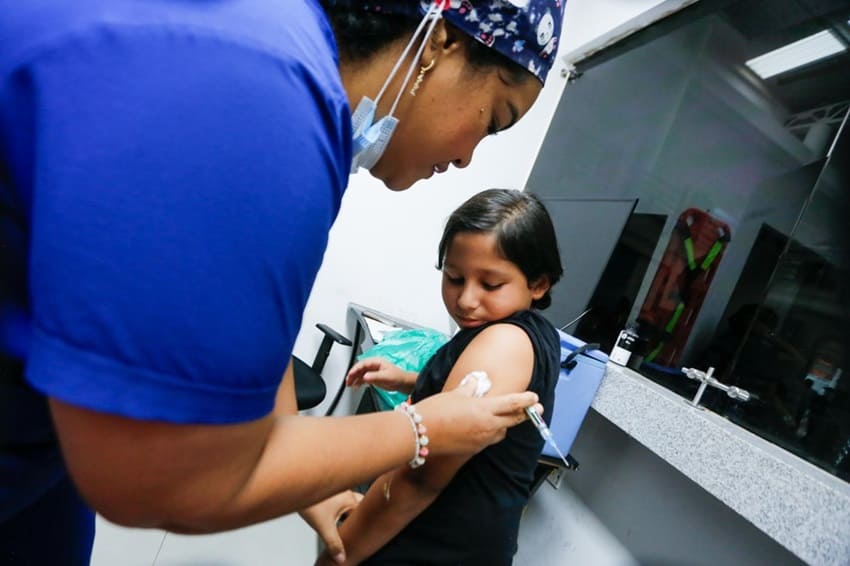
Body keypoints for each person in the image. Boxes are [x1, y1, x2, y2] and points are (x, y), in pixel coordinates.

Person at [0, 1, 566, 564]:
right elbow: (163, 477)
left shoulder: (281, 69)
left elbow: (250, 339)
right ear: (441, 42)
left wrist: (306, 477)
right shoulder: (269, 101)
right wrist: (420, 428)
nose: (467, 158)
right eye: (494, 120)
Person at [328, 189, 564, 565]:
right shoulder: (524, 331)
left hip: (438, 543)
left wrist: (338, 555)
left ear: (538, 284)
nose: (466, 299)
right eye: (454, 277)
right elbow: (459, 387)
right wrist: (407, 379)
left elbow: (420, 477)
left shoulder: (504, 342)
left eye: (490, 285)